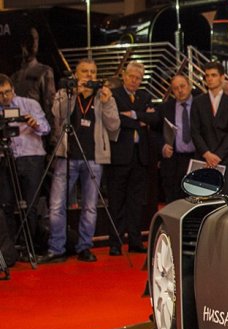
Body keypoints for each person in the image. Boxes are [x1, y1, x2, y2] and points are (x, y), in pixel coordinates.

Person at [40, 59, 119, 263]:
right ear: (76, 74)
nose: (89, 75)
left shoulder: (103, 96)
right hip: (67, 156)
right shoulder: (65, 92)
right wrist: (74, 93)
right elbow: (57, 114)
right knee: (56, 205)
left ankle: (85, 247)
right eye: (85, 71)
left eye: (93, 72)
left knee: (90, 206)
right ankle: (56, 248)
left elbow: (114, 126)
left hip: (94, 158)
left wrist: (107, 102)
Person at [106, 61, 158, 254]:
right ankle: (115, 243)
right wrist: (141, 119)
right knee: (117, 201)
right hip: (119, 157)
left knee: (136, 202)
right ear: (124, 76)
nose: (134, 80)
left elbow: (155, 118)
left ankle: (135, 241)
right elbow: (116, 120)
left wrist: (134, 114)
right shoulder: (114, 95)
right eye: (131, 76)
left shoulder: (145, 96)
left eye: (138, 78)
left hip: (140, 157)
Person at [0, 74, 49, 263]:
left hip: (31, 157)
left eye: (7, 92)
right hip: (5, 159)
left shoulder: (29, 104)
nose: (5, 97)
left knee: (31, 204)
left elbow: (46, 128)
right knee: (6, 204)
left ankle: (30, 246)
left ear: (13, 89)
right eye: (0, 94)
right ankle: (10, 249)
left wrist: (34, 124)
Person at [191, 62, 228, 187]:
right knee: (201, 195)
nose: (210, 79)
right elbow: (194, 131)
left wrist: (218, 156)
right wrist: (206, 153)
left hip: (224, 159)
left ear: (222, 77)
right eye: (207, 76)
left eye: (213, 75)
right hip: (202, 158)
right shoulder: (197, 102)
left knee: (221, 196)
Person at [154, 74, 196, 203]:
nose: (180, 90)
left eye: (182, 86)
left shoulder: (200, 104)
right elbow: (155, 132)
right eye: (176, 88)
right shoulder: (165, 107)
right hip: (173, 160)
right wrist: (162, 147)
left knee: (195, 198)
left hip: (196, 157)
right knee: (173, 200)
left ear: (189, 86)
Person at [12, 28, 56, 121]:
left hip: (37, 124)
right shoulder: (14, 75)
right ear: (22, 43)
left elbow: (50, 105)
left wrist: (50, 129)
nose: (34, 44)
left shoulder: (45, 71)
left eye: (36, 39)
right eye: (30, 40)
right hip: (18, 125)